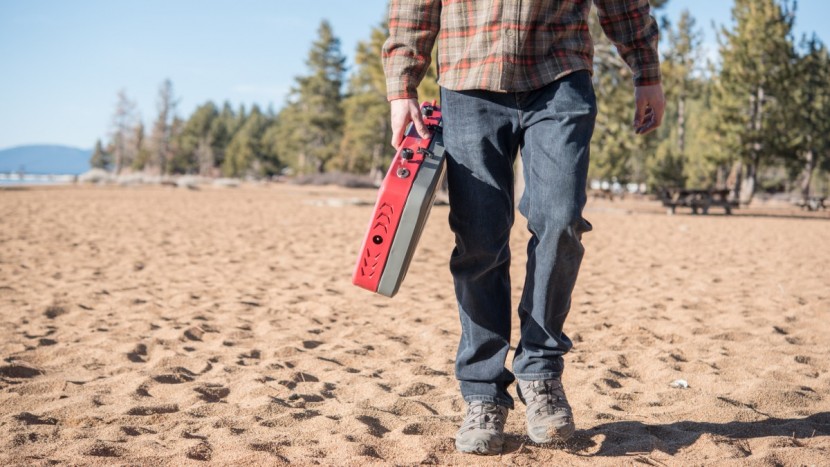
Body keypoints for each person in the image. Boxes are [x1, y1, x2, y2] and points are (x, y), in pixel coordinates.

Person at [382, 0, 664, 455]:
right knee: (478, 239)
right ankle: (483, 392)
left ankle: (540, 371)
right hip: (468, 80)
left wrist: (646, 72)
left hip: (559, 76)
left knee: (561, 220)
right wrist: (402, 86)